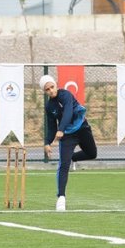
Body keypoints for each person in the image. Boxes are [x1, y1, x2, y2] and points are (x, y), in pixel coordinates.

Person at [40, 74, 97, 211]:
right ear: (44, 91)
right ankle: (61, 198)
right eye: (47, 89)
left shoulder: (65, 94)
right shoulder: (49, 106)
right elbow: (51, 126)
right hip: (67, 136)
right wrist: (47, 142)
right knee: (63, 165)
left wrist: (61, 129)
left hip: (82, 128)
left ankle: (71, 157)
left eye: (52, 87)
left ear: (56, 85)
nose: (51, 91)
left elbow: (68, 112)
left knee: (92, 153)